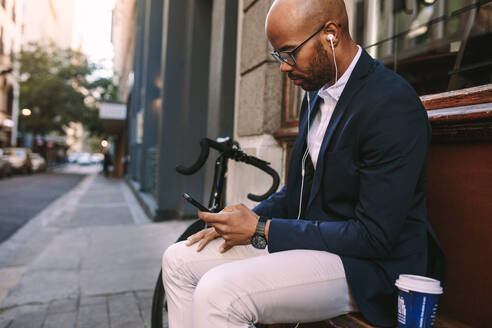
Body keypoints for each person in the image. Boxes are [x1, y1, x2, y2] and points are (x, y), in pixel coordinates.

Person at [161, 0, 446, 327]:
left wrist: (260, 230)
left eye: (289, 52)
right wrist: (248, 216)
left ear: (331, 34)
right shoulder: (315, 92)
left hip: (369, 268)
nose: (284, 66)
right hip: (313, 246)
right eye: (278, 56)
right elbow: (297, 190)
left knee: (219, 291)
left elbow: (374, 236)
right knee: (178, 260)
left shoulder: (391, 104)